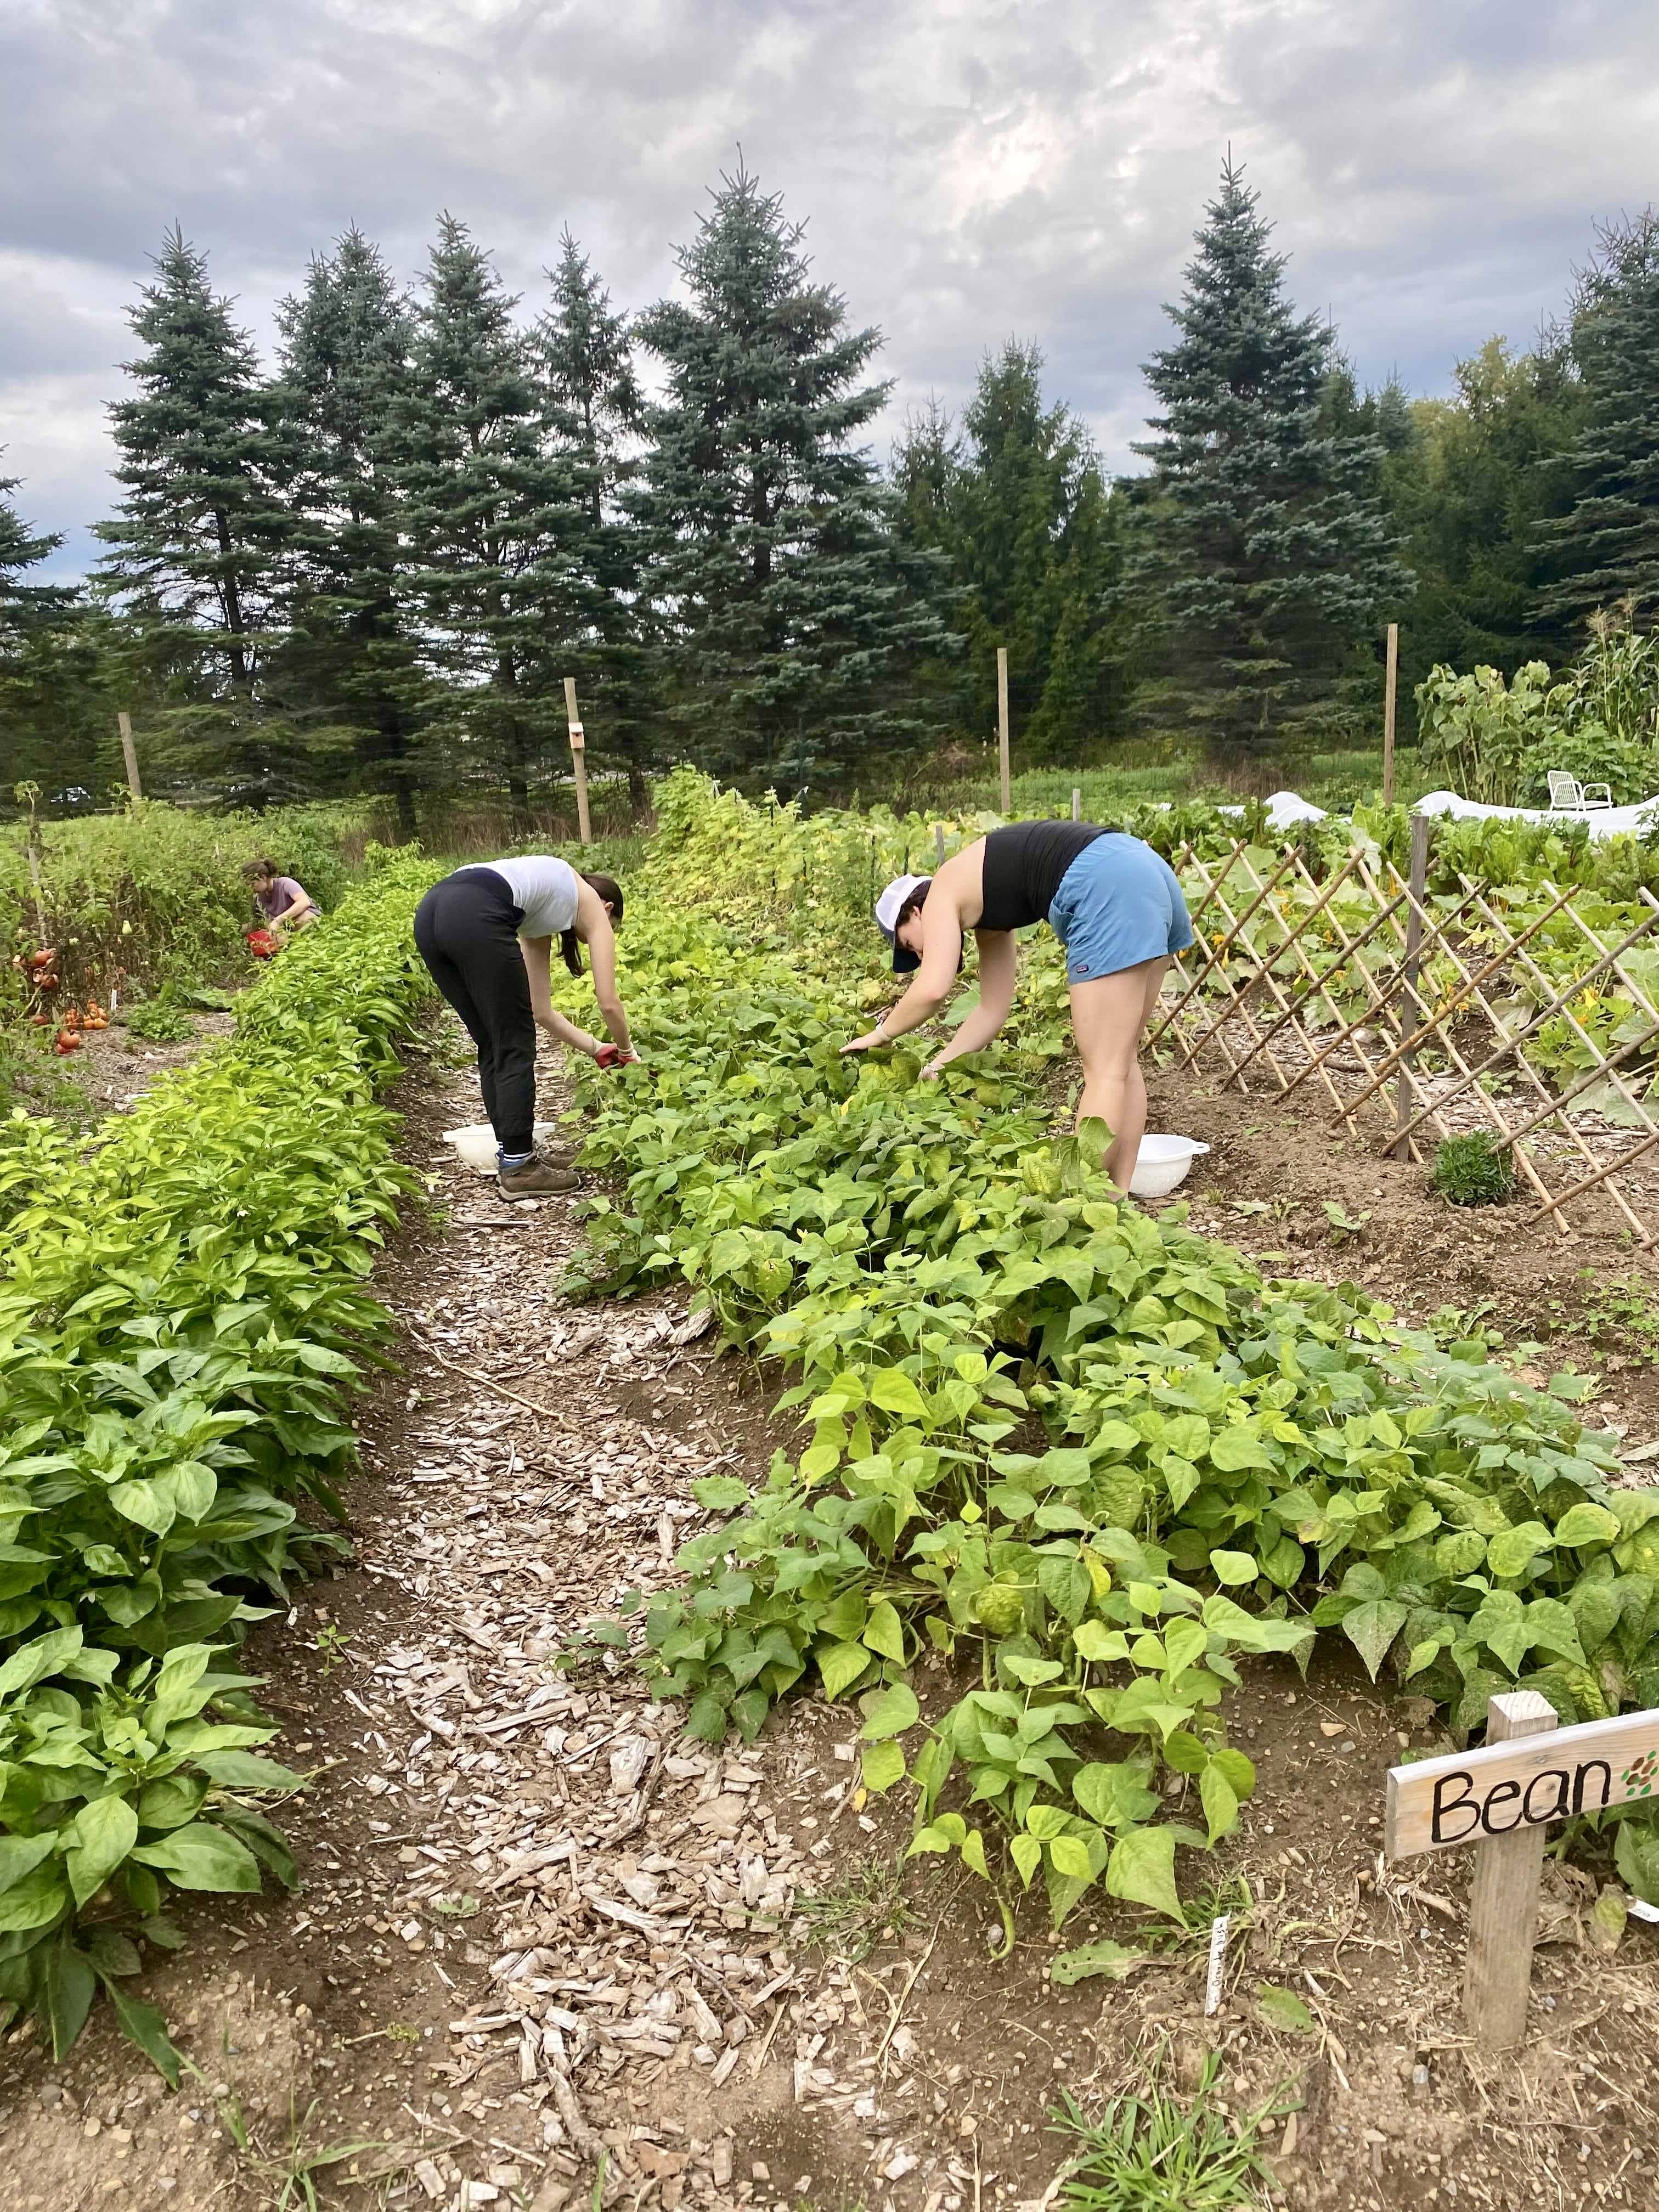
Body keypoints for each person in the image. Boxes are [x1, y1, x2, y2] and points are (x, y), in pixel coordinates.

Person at [842, 819, 1193, 1191]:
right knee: (1119, 1062)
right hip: (1147, 871)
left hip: (1106, 885)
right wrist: (937, 1067)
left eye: (910, 945)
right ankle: (1118, 1197)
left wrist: (881, 1034)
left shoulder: (943, 889)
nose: (922, 953)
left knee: (1104, 1071)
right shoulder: (987, 911)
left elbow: (932, 988)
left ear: (913, 912)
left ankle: (1084, 1204)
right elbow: (992, 1010)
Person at [414, 854, 637, 1198]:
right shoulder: (589, 907)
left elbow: (541, 1010)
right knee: (514, 1043)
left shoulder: (544, 902)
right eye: (614, 927)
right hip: (474, 913)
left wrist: (596, 1048)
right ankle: (520, 1167)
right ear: (607, 908)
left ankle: (514, 1153)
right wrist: (627, 1051)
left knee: (494, 1042)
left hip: (431, 912)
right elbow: (608, 1002)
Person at [245, 858, 321, 933]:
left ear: (263, 878)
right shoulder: (260, 897)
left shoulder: (286, 884)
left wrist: (278, 920)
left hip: (310, 921)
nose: (251, 888)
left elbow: (304, 902)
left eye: (253, 884)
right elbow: (258, 922)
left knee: (302, 919)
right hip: (288, 927)